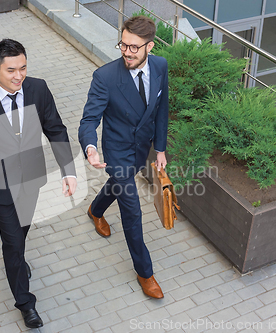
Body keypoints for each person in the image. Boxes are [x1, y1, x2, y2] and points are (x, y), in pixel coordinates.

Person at [0, 39, 77, 328]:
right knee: (12, 241)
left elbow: (56, 128)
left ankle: (17, 259)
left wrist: (68, 171)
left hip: (32, 178)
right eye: (11, 70)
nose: (19, 76)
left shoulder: (38, 89)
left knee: (21, 231)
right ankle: (26, 303)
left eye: (23, 68)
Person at [78, 16, 168, 299]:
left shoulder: (161, 66)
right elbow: (89, 119)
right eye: (123, 44)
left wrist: (161, 148)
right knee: (133, 211)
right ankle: (145, 273)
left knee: (118, 185)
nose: (127, 52)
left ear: (149, 47)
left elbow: (162, 107)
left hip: (141, 149)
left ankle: (95, 209)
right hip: (117, 151)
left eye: (134, 47)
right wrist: (90, 148)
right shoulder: (105, 77)